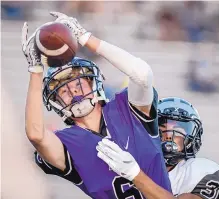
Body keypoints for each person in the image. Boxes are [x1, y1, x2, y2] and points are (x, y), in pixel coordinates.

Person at [22, 12, 171, 198]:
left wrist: (85, 37)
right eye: (63, 90)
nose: (72, 91)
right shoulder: (68, 141)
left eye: (78, 83)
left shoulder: (126, 107)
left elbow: (142, 74)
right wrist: (36, 70)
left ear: (95, 83)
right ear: (56, 102)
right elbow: (36, 134)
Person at [97, 97, 219, 199]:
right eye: (162, 129)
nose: (169, 135)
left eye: (178, 130)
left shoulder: (203, 172)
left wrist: (135, 175)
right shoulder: (127, 161)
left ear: (191, 138)